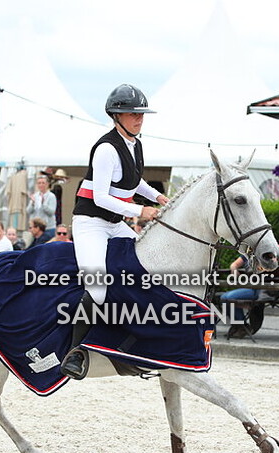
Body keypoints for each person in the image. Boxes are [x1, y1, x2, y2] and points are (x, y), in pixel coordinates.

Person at [61, 83, 169, 380]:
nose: (139, 118)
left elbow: (133, 181)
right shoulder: (106, 149)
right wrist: (141, 211)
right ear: (116, 116)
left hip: (114, 224)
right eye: (133, 113)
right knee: (97, 288)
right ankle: (75, 352)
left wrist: (157, 196)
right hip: (91, 224)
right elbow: (100, 198)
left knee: (149, 266)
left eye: (141, 113)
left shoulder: (135, 144)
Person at [221, 255, 261, 339]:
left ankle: (241, 326)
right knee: (225, 298)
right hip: (249, 288)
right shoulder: (247, 254)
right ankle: (239, 326)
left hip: (259, 290)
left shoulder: (264, 254)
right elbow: (234, 264)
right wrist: (234, 268)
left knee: (228, 298)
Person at [27, 173, 57, 241]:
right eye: (39, 183)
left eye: (43, 183)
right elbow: (28, 211)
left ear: (47, 184)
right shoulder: (35, 196)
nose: (41, 185)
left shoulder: (51, 196)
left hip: (48, 228)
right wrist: (33, 203)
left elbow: (51, 212)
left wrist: (43, 204)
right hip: (36, 230)